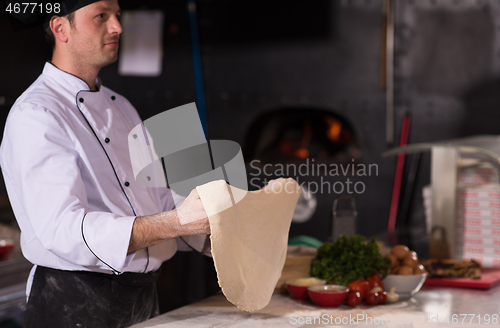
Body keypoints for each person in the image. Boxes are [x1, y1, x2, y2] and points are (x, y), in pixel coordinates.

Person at [0, 0, 211, 327]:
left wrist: (210, 228)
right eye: (101, 16)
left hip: (141, 300)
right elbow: (63, 229)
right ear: (60, 28)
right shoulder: (37, 114)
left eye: (116, 15)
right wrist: (178, 223)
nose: (117, 27)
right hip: (73, 305)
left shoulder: (122, 106)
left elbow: (156, 199)